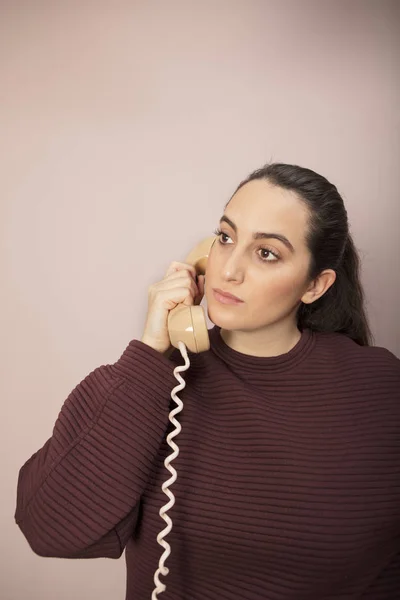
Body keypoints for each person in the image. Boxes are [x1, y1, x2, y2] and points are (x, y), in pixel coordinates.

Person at [15, 163, 400, 599]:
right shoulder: (159, 383)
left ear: (315, 285)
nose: (229, 270)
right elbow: (49, 531)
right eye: (225, 237)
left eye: (266, 253)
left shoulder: (382, 389)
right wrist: (151, 353)